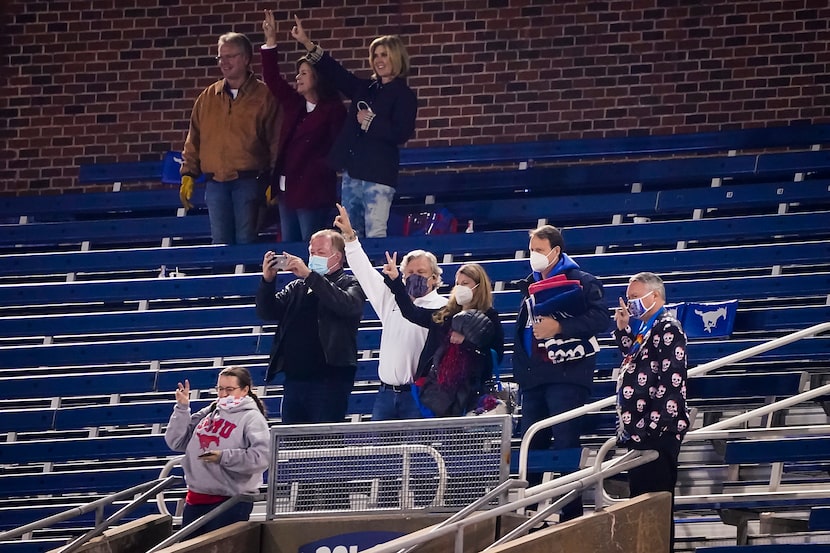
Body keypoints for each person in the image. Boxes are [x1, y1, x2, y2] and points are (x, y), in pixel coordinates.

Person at [512, 224, 609, 522]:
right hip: (533, 378)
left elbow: (600, 318)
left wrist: (560, 327)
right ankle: (528, 517)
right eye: (531, 251)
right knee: (532, 447)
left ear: (556, 251)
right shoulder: (528, 283)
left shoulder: (582, 280)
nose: (534, 256)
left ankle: (571, 517)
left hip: (567, 376)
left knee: (566, 444)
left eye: (539, 251)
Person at [291, 16, 418, 239]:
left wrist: (369, 121)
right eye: (375, 55)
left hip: (378, 175)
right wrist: (307, 43)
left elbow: (401, 132)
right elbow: (338, 74)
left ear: (396, 57)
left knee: (375, 232)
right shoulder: (366, 88)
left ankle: (377, 274)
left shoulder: (404, 94)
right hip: (353, 172)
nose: (379, 60)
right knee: (349, 234)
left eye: (384, 55)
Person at [333, 203, 448, 420]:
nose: (415, 276)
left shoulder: (443, 307)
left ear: (434, 278)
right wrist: (349, 236)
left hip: (419, 394)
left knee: (418, 453)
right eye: (410, 272)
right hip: (385, 395)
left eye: (421, 272)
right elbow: (365, 271)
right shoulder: (390, 299)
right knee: (381, 454)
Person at [255, 229, 365, 423]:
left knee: (323, 444)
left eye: (320, 253)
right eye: (311, 252)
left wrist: (310, 275)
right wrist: (267, 281)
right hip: (295, 379)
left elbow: (346, 305)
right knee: (291, 444)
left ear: (337, 256)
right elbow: (267, 311)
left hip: (330, 380)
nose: (313, 257)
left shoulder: (350, 283)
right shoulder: (297, 287)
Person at [614, 271, 690, 552]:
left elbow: (671, 380)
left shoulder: (668, 327)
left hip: (657, 433)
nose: (629, 303)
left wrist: (652, 427)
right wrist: (623, 329)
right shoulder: (647, 329)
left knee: (655, 507)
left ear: (654, 295)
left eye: (634, 297)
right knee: (641, 504)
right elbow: (635, 364)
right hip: (640, 433)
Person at [180, 32, 280, 245]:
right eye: (220, 57)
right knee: (219, 244)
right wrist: (188, 173)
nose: (224, 63)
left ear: (245, 58)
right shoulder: (207, 97)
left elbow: (276, 140)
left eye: (230, 56)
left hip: (249, 181)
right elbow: (194, 138)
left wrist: (275, 178)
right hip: (215, 184)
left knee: (246, 242)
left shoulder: (264, 95)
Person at [260, 10, 347, 243]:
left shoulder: (333, 109)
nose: (298, 77)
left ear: (317, 78)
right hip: (287, 190)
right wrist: (271, 42)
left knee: (313, 246)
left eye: (304, 73)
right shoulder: (295, 104)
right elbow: (273, 79)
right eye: (298, 73)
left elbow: (339, 148)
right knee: (290, 248)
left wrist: (316, 170)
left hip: (313, 191)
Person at [382, 255, 504, 418]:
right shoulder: (446, 314)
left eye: (465, 283)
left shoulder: (490, 317)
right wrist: (397, 282)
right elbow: (412, 312)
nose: (460, 287)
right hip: (442, 393)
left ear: (478, 286)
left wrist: (467, 343)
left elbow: (496, 354)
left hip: (472, 392)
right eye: (458, 283)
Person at [163, 366, 269, 538]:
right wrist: (182, 408)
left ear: (245, 390)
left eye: (229, 389)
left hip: (229, 502)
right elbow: (176, 441)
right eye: (220, 389)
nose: (224, 394)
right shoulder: (211, 410)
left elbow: (261, 458)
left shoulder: (252, 418)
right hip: (196, 499)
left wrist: (223, 457)